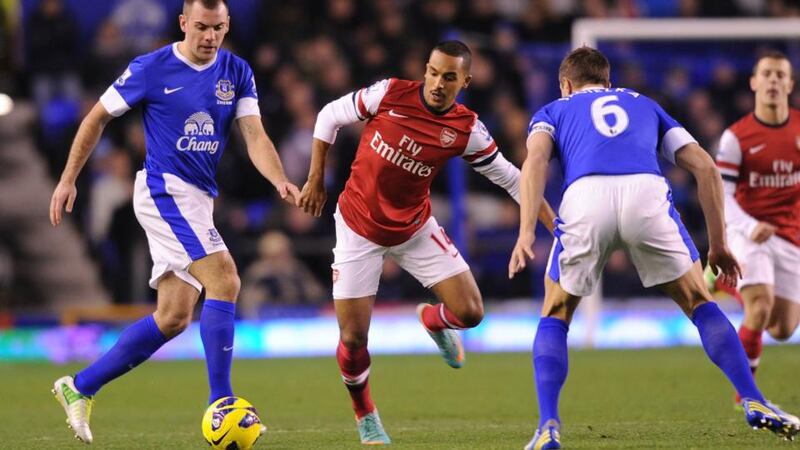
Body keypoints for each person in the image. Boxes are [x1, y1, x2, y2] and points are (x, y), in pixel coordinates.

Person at [508, 46, 800, 450]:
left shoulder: (552, 111)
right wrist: (718, 245)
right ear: (609, 83)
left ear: (565, 85)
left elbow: (535, 162)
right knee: (700, 301)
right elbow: (705, 168)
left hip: (584, 195)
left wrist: (526, 233)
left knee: (556, 311)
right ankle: (753, 398)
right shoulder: (645, 104)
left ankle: (547, 427)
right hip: (646, 192)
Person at [48, 0, 299, 443]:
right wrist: (68, 179)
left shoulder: (237, 71)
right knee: (225, 279)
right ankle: (222, 403)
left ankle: (79, 386)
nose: (209, 37)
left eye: (218, 28)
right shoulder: (151, 67)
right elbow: (96, 117)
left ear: (227, 25)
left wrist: (279, 179)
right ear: (184, 23)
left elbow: (254, 134)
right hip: (164, 189)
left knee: (173, 316)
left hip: (199, 198)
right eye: (201, 27)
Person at [298, 40, 555, 444]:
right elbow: (329, 116)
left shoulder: (465, 128)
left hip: (414, 228)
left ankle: (434, 321)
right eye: (433, 72)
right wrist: (315, 179)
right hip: (358, 227)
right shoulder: (390, 93)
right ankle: (365, 412)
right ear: (426, 69)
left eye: (449, 77)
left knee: (471, 313)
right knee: (353, 338)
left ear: (464, 82)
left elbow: (510, 177)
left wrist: (554, 226)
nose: (437, 83)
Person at [713, 50, 800, 406]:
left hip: (790, 235)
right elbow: (723, 196)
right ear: (754, 83)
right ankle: (748, 397)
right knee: (759, 308)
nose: (774, 81)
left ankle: (722, 281)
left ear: (790, 85)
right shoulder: (737, 137)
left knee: (782, 329)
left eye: (781, 75)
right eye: (767, 74)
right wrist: (749, 227)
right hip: (747, 232)